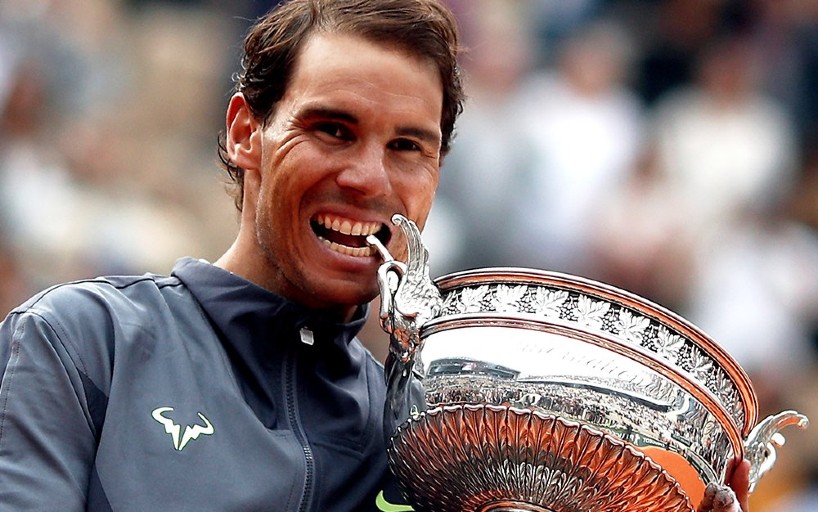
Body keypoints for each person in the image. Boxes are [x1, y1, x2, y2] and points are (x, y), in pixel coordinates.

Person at [0, 1, 751, 511]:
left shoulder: (432, 439)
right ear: (244, 133)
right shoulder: (83, 343)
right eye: (332, 130)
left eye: (407, 147)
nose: (368, 179)